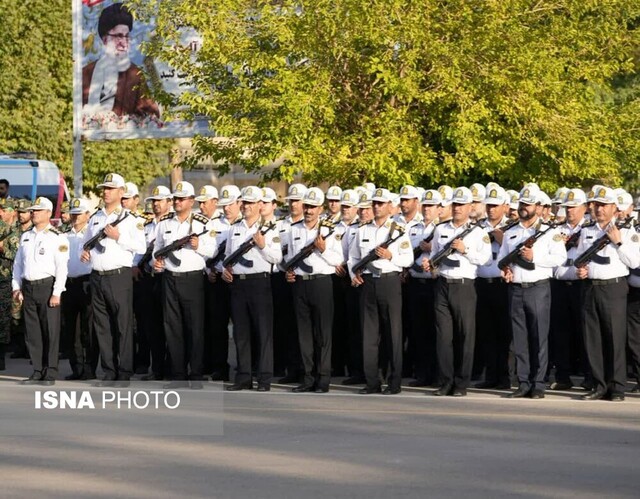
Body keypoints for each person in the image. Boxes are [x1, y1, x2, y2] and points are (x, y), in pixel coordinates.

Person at [498, 185, 567, 399]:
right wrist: (506, 270)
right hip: (516, 288)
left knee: (539, 337)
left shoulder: (549, 232)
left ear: (537, 206)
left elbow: (560, 258)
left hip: (538, 288)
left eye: (528, 205)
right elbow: (502, 259)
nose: (523, 208)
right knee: (520, 339)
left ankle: (538, 383)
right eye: (521, 204)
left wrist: (534, 257)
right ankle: (523, 382)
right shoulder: (511, 232)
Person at [424, 187, 491, 396]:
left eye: (462, 205)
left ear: (471, 207)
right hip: (443, 284)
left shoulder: (478, 232)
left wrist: (465, 250)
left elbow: (485, 259)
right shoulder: (441, 229)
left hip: (464, 286)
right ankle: (446, 381)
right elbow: (435, 252)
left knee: (465, 336)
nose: (458, 209)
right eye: (456, 204)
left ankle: (461, 383)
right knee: (444, 337)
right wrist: (430, 264)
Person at [574, 187, 640, 401]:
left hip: (614, 288)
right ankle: (599, 385)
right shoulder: (587, 230)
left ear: (614, 208)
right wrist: (582, 270)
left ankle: (617, 387)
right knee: (593, 338)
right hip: (591, 287)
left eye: (603, 205)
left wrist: (618, 241)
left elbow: (634, 262)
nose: (599, 209)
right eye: (596, 205)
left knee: (615, 337)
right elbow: (581, 257)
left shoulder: (627, 231)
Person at [81, 173, 146, 387]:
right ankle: (109, 371)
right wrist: (85, 254)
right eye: (104, 188)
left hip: (119, 277)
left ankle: (124, 371)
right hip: (97, 276)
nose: (106, 192)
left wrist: (119, 237)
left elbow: (141, 247)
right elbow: (86, 244)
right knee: (103, 326)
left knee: (123, 326)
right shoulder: (95, 217)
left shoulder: (130, 219)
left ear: (121, 192)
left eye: (110, 188)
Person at [348, 188, 413, 395]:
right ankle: (372, 382)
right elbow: (352, 258)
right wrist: (353, 275)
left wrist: (390, 255)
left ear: (389, 207)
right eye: (374, 203)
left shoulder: (398, 230)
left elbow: (408, 259)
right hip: (368, 283)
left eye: (381, 203)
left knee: (393, 333)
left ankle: (394, 383)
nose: (376, 206)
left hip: (389, 282)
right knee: (369, 335)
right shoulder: (362, 230)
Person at [153, 181, 215, 389]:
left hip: (192, 279)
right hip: (170, 278)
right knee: (173, 328)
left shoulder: (202, 223)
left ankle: (196, 374)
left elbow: (213, 250)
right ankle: (178, 374)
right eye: (175, 199)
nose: (177, 202)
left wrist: (199, 246)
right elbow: (157, 248)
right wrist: (157, 260)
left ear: (191, 201)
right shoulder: (165, 223)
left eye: (181, 199)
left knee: (195, 328)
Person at [223, 186, 282, 392]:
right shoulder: (235, 228)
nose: (246, 206)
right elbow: (228, 256)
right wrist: (225, 270)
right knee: (241, 332)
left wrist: (263, 245)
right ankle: (243, 377)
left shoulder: (270, 228)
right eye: (244, 202)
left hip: (259, 282)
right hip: (238, 283)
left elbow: (277, 258)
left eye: (250, 203)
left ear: (259, 204)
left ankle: (264, 379)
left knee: (263, 332)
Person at [284, 187, 343, 393]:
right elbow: (289, 258)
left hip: (321, 283)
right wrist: (288, 272)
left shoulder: (330, 230)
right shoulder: (294, 229)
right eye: (306, 206)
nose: (308, 210)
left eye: (312, 207)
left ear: (321, 208)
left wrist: (324, 249)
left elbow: (338, 260)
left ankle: (323, 378)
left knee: (323, 334)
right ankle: (308, 378)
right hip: (300, 283)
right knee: (304, 334)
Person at [12, 197, 69, 385]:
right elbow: (18, 264)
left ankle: (50, 371)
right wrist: (16, 286)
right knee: (33, 331)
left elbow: (62, 267)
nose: (34, 212)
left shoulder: (57, 236)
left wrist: (57, 292)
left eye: (38, 210)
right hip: (28, 286)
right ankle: (37, 369)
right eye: (33, 210)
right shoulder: (26, 236)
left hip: (47, 286)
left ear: (48, 213)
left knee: (50, 331)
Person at [82, 3, 160, 119]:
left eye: (127, 36)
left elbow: (152, 116)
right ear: (105, 39)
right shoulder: (86, 73)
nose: (124, 42)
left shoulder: (136, 75)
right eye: (118, 36)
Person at [550, 189, 590, 391]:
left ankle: (589, 376)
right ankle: (563, 376)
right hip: (559, 285)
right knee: (561, 333)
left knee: (584, 332)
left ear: (584, 208)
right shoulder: (556, 230)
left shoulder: (590, 229)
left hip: (580, 285)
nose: (570, 211)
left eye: (574, 207)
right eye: (567, 207)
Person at [474, 185, 513, 390]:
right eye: (489, 205)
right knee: (486, 332)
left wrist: (502, 238)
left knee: (504, 333)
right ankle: (490, 375)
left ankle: (504, 377)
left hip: (501, 284)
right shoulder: (477, 227)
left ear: (505, 207)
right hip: (482, 283)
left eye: (496, 206)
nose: (491, 209)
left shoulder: (512, 227)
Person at [406, 189, 442, 387]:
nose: (427, 209)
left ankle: (436, 374)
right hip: (415, 281)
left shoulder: (441, 228)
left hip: (434, 282)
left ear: (439, 209)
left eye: (432, 206)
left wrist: (432, 249)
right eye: (425, 205)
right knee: (418, 330)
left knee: (436, 330)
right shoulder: (413, 227)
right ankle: (422, 374)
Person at [138, 186, 173, 381]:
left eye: (160, 200)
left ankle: (172, 367)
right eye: (154, 201)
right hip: (148, 277)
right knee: (152, 325)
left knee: (170, 324)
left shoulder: (173, 224)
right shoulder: (147, 226)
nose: (156, 204)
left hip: (167, 277)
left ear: (169, 202)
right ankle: (157, 367)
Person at [61, 198, 98, 380]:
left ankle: (89, 367)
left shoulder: (91, 236)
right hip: (68, 283)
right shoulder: (63, 235)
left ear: (87, 215)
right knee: (71, 329)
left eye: (79, 214)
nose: (75, 217)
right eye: (73, 213)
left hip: (86, 282)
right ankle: (76, 367)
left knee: (88, 328)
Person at [0, 199, 20, 370]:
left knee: (6, 318)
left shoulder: (14, 232)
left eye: (5, 210)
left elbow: (17, 255)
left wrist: (2, 248)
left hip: (7, 280)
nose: (1, 213)